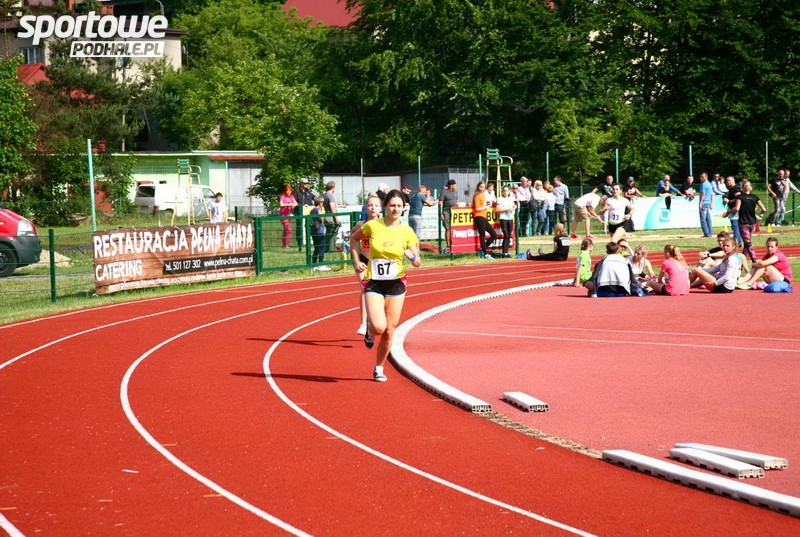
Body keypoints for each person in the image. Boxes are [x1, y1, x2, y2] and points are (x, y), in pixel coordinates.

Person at [350, 189, 422, 383]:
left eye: (399, 206)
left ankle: (379, 367)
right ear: (385, 207)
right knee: (379, 327)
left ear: (404, 208)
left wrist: (411, 256)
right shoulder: (373, 225)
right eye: (392, 205)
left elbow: (418, 262)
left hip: (396, 284)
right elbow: (353, 239)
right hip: (374, 282)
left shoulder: (407, 231)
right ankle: (370, 329)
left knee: (390, 330)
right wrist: (356, 261)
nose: (395, 209)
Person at [350, 194, 383, 335]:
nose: (373, 208)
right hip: (364, 259)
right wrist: (356, 260)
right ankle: (364, 323)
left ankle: (374, 320)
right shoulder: (361, 224)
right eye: (370, 205)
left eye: (376, 205)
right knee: (365, 289)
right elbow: (353, 237)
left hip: (379, 261)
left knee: (380, 291)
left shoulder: (384, 224)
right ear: (366, 208)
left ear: (380, 208)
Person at [724, 179, 765, 263]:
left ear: (742, 188)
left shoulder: (740, 197)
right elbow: (764, 209)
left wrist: (728, 212)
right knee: (747, 243)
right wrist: (761, 214)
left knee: (748, 243)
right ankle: (741, 263)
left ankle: (754, 262)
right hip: (752, 223)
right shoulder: (755, 197)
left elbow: (737, 208)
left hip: (743, 223)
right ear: (751, 188)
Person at [472, 181, 497, 259]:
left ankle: (482, 249)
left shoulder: (483, 195)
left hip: (484, 216)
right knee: (482, 236)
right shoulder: (477, 195)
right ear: (478, 187)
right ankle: (485, 254)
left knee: (494, 234)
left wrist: (488, 204)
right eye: (480, 187)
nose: (481, 189)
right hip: (478, 216)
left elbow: (483, 205)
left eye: (483, 187)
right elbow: (477, 208)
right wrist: (486, 207)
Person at [294, 177, 316, 251]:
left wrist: (319, 200)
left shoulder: (308, 191)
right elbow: (294, 201)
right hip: (300, 212)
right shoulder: (296, 191)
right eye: (305, 183)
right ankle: (300, 244)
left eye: (307, 183)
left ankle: (309, 242)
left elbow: (314, 197)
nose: (306, 184)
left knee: (309, 226)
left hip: (309, 211)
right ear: (301, 184)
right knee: (300, 227)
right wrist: (302, 205)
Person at [309, 196, 330, 271]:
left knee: (316, 248)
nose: (323, 204)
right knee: (322, 248)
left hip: (314, 231)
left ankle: (313, 265)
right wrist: (323, 216)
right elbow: (321, 219)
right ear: (319, 202)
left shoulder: (312, 210)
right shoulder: (318, 210)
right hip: (319, 231)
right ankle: (321, 264)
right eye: (322, 202)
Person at [438, 179, 458, 254]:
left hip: (454, 212)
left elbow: (457, 201)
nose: (456, 186)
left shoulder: (455, 192)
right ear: (451, 185)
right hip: (446, 212)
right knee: (448, 229)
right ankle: (448, 245)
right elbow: (440, 202)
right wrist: (441, 213)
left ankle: (454, 244)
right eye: (455, 184)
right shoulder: (444, 192)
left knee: (454, 228)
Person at [722, 176, 742, 247]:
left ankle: (737, 243)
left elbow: (738, 198)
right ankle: (738, 242)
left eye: (729, 180)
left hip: (735, 209)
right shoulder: (731, 189)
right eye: (727, 180)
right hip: (733, 209)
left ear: (733, 180)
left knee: (735, 227)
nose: (728, 182)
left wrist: (729, 201)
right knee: (735, 227)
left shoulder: (736, 188)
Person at [496, 185, 516, 258]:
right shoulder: (500, 199)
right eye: (504, 190)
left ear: (509, 191)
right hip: (503, 218)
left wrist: (513, 207)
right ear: (502, 192)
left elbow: (514, 206)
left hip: (510, 218)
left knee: (509, 236)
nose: (505, 192)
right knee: (506, 235)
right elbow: (497, 209)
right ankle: (504, 252)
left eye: (507, 190)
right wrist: (506, 209)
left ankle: (506, 252)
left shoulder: (511, 198)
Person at [322, 181, 340, 252]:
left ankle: (326, 248)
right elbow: (332, 207)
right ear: (333, 187)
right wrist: (336, 218)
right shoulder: (330, 196)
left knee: (328, 232)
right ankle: (331, 249)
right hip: (331, 216)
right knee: (333, 232)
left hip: (326, 215)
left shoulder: (324, 195)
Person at [697, 172, 714, 237]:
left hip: (704, 203)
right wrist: (711, 203)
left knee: (703, 219)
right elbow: (712, 194)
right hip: (708, 202)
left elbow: (703, 194)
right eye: (700, 177)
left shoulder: (703, 184)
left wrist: (700, 202)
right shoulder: (709, 184)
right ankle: (710, 232)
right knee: (708, 218)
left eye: (702, 177)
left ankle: (706, 233)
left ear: (706, 177)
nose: (701, 178)